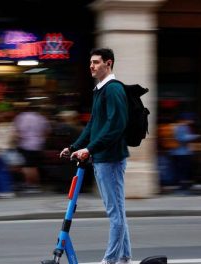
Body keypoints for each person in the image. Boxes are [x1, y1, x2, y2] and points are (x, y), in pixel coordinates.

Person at [60, 48, 131, 264]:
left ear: (108, 64)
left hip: (110, 159)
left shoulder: (114, 90)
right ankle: (125, 257)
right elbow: (93, 125)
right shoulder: (100, 90)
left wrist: (90, 149)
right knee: (118, 212)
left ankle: (110, 260)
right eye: (90, 62)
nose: (91, 66)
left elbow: (115, 125)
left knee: (115, 214)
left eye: (96, 62)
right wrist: (74, 147)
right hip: (102, 159)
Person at [14, 102, 51, 193]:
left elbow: (18, 131)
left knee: (28, 167)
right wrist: (41, 138)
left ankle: (31, 186)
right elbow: (47, 131)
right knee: (34, 166)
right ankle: (35, 185)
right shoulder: (41, 118)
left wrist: (19, 139)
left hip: (26, 144)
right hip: (38, 145)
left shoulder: (22, 117)